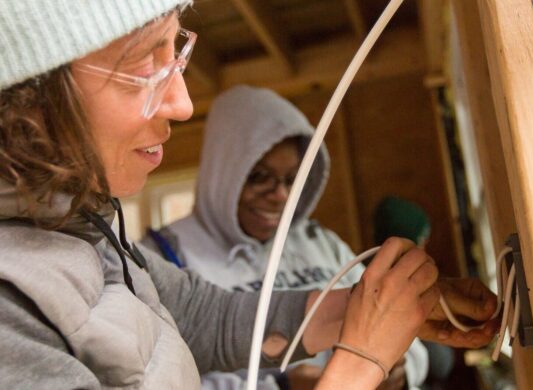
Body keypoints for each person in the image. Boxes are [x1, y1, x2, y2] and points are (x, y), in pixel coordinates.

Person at [0, 1, 498, 389]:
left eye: (176, 53)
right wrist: (359, 364)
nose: (183, 103)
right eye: (143, 67)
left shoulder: (80, 225)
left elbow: (202, 318)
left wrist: (373, 309)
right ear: (30, 94)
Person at [142, 85, 429, 389]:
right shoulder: (167, 256)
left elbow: (409, 334)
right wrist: (281, 387)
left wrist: (398, 371)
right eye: (259, 177)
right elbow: (159, 379)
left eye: (292, 179)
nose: (280, 195)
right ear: (222, 173)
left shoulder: (320, 242)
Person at [374, 196, 457, 388]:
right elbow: (441, 364)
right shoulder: (401, 290)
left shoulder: (365, 277)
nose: (426, 251)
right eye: (421, 242)